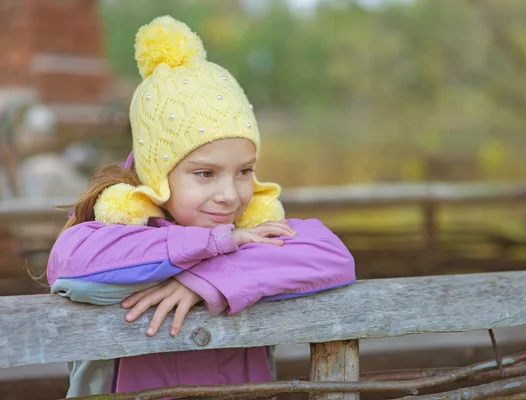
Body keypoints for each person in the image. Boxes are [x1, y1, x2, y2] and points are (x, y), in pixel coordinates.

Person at [46, 15, 355, 397]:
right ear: (158, 174)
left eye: (244, 171)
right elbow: (70, 263)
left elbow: (332, 255)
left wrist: (204, 279)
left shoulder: (253, 229)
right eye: (205, 174)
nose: (230, 194)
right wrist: (214, 245)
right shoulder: (116, 234)